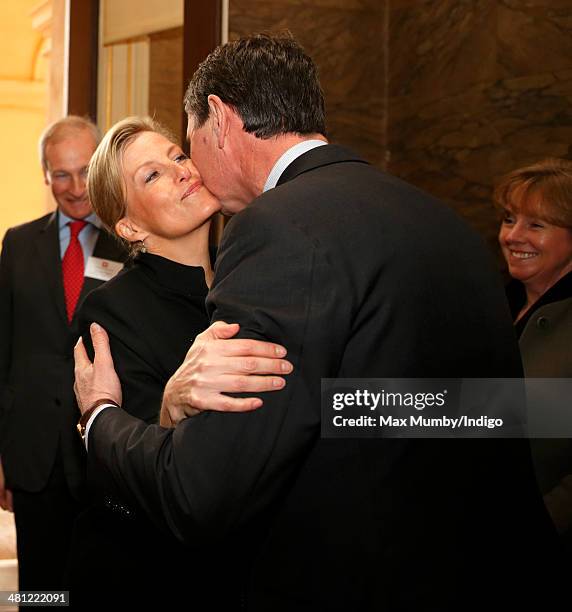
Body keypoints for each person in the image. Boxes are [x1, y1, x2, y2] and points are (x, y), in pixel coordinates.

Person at [75, 34, 560, 609]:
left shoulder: (277, 232)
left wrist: (98, 418)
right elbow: (461, 405)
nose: (187, 167)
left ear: (220, 121)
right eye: (151, 174)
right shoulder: (440, 217)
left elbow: (200, 488)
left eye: (185, 147)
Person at [67, 116, 289, 607]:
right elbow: (112, 474)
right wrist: (169, 409)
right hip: (150, 578)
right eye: (151, 175)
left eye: (178, 156)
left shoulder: (250, 281)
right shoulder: (110, 311)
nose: (181, 170)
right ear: (127, 225)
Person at [0, 116, 127, 590]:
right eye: (61, 174)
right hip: (33, 454)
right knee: (40, 590)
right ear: (45, 176)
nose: (75, 188)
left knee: (99, 586)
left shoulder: (132, 239)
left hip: (106, 454)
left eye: (86, 170)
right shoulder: (17, 244)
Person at [496, 157, 572, 553]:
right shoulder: (491, 303)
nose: (513, 236)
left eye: (536, 225)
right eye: (510, 220)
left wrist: (543, 524)